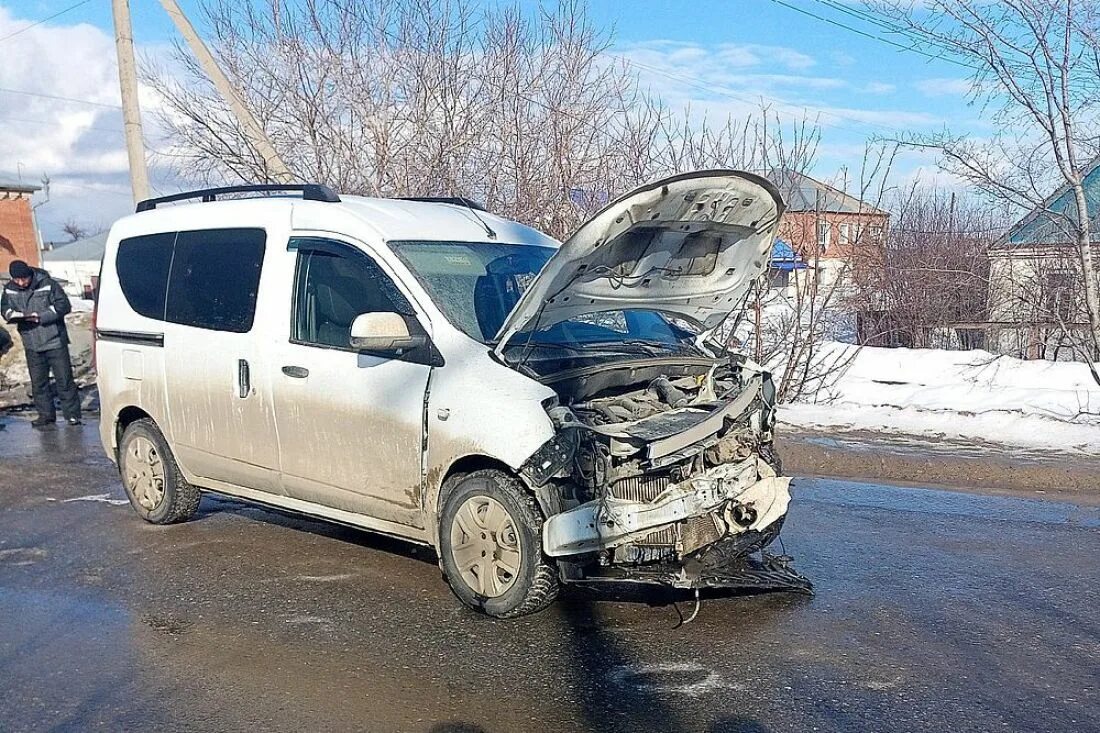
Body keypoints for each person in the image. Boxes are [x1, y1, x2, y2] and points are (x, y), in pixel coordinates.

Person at [1, 260, 82, 428]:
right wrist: (12, 315)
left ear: (30, 275)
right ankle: (45, 415)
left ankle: (72, 415)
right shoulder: (9, 289)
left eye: (24, 279)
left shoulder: (47, 284)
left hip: (54, 340)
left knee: (64, 380)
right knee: (39, 383)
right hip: (31, 342)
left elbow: (63, 305)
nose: (21, 283)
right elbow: (5, 308)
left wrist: (41, 316)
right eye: (17, 280)